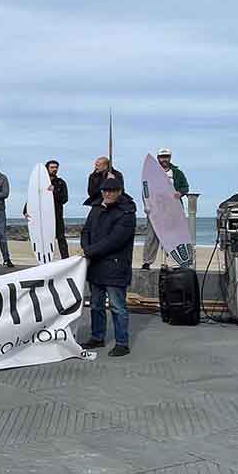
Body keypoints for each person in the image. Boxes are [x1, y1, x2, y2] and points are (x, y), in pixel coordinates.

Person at [80, 175, 136, 357]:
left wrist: (89, 252)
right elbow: (86, 230)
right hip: (96, 266)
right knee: (95, 304)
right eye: (105, 190)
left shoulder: (127, 213)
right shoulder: (96, 208)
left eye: (112, 191)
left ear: (120, 192)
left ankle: (122, 342)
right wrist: (86, 248)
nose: (108, 194)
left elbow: (115, 241)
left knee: (117, 306)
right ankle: (97, 337)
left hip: (115, 266)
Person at [141, 148, 191, 270]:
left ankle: (173, 262)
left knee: (173, 235)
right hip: (156, 209)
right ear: (158, 158)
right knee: (151, 236)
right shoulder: (152, 173)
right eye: (162, 157)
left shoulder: (177, 173)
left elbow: (185, 187)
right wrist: (146, 205)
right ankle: (147, 261)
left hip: (172, 210)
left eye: (167, 157)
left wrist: (180, 193)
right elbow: (145, 190)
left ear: (170, 157)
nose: (164, 159)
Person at [47, 160, 71, 259]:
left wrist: (54, 191)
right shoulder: (40, 182)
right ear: (47, 168)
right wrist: (26, 210)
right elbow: (33, 197)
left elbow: (64, 199)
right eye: (52, 167)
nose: (54, 169)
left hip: (57, 214)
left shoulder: (61, 183)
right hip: (44, 216)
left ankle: (66, 260)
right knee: (46, 239)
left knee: (61, 238)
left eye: (56, 167)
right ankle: (45, 261)